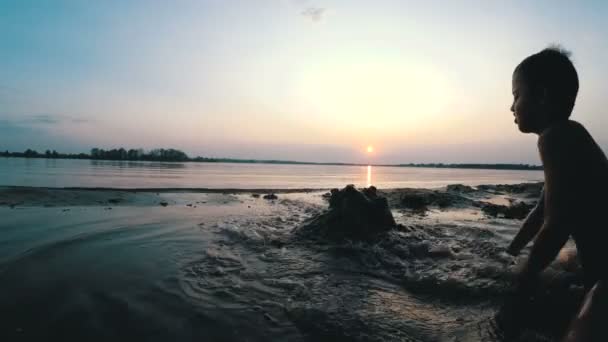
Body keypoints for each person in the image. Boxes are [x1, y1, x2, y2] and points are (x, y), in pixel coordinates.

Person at [505, 47, 608, 341]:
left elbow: (557, 223)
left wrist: (523, 279)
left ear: (542, 96)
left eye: (516, 95)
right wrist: (511, 253)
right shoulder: (568, 135)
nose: (511, 107)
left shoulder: (556, 137)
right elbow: (541, 213)